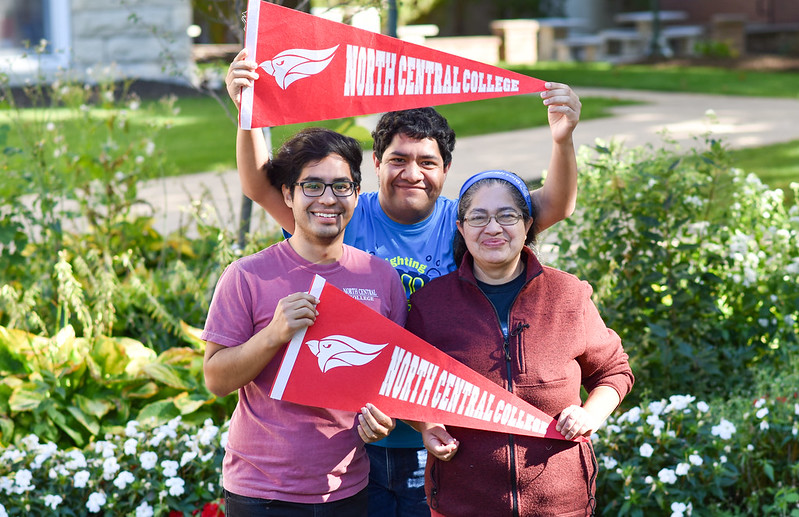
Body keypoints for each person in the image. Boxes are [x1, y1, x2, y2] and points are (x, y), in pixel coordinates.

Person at [226, 49, 582, 516]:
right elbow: (261, 185)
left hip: (435, 432)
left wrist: (562, 139)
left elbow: (551, 206)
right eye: (398, 159)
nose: (411, 173)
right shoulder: (343, 214)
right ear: (376, 161)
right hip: (353, 437)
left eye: (427, 162)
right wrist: (248, 110)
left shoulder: (463, 223)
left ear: (445, 170)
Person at [202, 127, 408, 516]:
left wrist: (386, 418)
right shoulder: (248, 275)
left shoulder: (380, 278)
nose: (328, 199)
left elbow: (389, 377)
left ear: (357, 194)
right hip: (262, 491)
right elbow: (216, 380)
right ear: (287, 194)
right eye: (312, 186)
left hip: (346, 486)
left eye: (341, 186)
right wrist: (273, 335)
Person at [404, 170, 634, 517]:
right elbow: (405, 388)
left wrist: (590, 414)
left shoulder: (567, 295)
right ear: (461, 228)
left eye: (507, 215)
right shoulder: (430, 305)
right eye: (478, 217)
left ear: (527, 224)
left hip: (562, 505)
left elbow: (614, 371)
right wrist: (427, 426)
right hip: (462, 504)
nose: (493, 228)